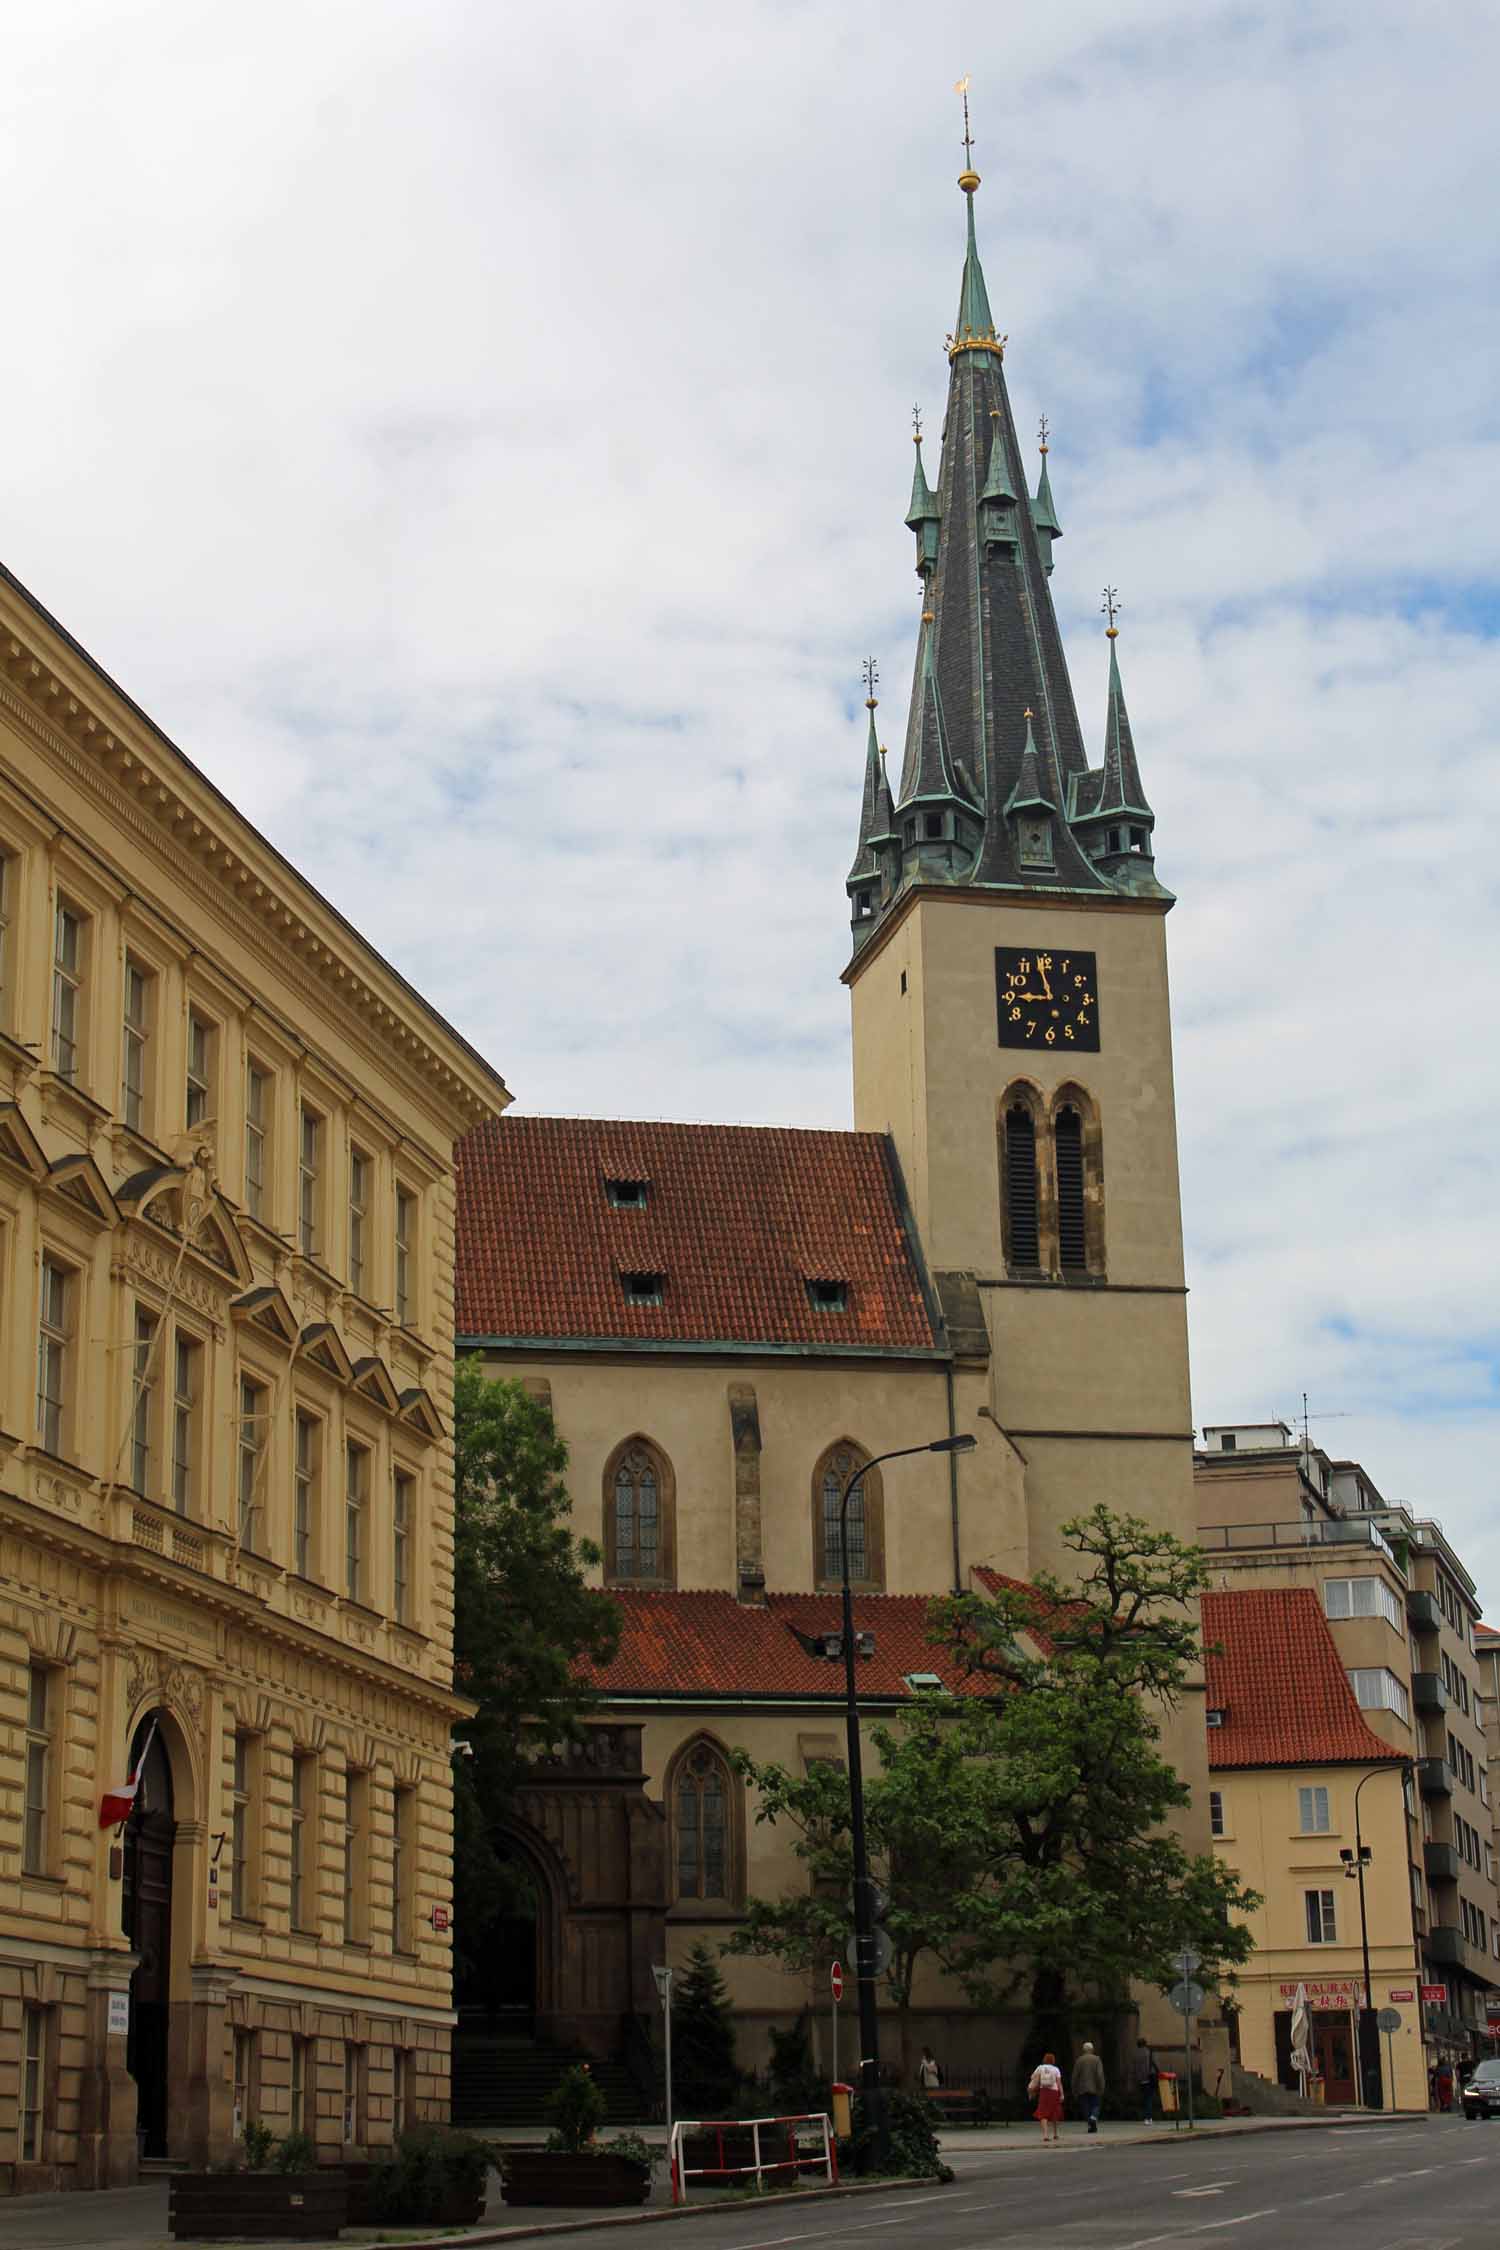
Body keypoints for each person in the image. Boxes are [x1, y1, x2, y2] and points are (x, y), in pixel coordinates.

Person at [1028, 2051, 1065, 2146]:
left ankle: (1045, 2135)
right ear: (1053, 2060)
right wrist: (1062, 2094)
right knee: (1055, 2112)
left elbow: (1033, 2077)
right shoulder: (1056, 2069)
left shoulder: (1040, 2068)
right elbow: (1059, 2083)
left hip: (1044, 2092)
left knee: (1043, 2113)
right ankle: (1056, 2134)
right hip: (1054, 2092)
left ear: (1044, 2060)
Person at [1071, 2041, 1105, 2133]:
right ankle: (1093, 2118)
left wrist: (1074, 2088)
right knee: (1096, 2105)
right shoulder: (1097, 2059)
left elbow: (1075, 2076)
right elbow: (1099, 2074)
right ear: (1092, 2049)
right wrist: (1101, 2086)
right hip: (1095, 2087)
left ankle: (1091, 2125)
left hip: (1082, 2088)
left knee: (1085, 2107)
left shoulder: (1079, 2060)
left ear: (1083, 2050)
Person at [1135, 2038, 1158, 2123]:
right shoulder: (1149, 2052)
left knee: (1144, 2098)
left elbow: (1135, 2067)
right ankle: (1148, 2117)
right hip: (1149, 2077)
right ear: (1145, 2044)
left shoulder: (1135, 2054)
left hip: (1141, 2079)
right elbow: (1154, 2063)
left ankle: (1147, 2117)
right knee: (1149, 2098)